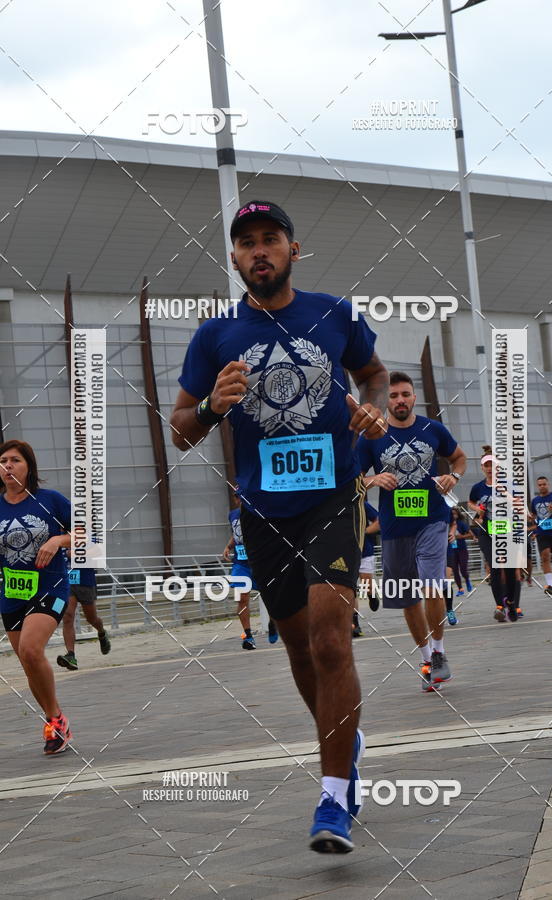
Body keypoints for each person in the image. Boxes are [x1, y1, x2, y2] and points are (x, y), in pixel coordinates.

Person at [170, 200, 388, 854]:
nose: (259, 251)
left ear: (294, 249)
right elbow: (181, 430)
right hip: (263, 511)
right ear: (235, 259)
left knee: (329, 641)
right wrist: (212, 404)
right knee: (297, 648)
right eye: (247, 243)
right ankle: (343, 744)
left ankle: (333, 795)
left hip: (333, 495)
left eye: (271, 239)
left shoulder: (334, 313)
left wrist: (374, 412)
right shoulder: (215, 336)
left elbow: (373, 375)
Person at [358, 372, 467, 692]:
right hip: (394, 528)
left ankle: (440, 654)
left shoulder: (433, 429)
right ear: (385, 401)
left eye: (405, 394)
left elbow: (458, 458)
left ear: (414, 397)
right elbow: (353, 479)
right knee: (405, 597)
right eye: (393, 396)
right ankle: (426, 656)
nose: (400, 400)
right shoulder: (371, 437)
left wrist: (455, 478)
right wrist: (373, 480)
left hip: (432, 519)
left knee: (432, 584)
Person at [0, 439, 72, 754]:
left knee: (31, 648)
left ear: (28, 466)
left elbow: (90, 532)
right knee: (28, 661)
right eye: (3, 461)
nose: (7, 466)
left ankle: (55, 722)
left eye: (14, 460)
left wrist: (58, 539)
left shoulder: (49, 500)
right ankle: (55, 719)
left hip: (51, 586)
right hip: (13, 592)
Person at [469, 447, 523, 622]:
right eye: (487, 465)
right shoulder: (477, 487)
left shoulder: (508, 484)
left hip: (506, 529)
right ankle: (499, 606)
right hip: (486, 530)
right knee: (493, 566)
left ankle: (512, 603)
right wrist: (477, 509)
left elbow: (518, 503)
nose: (490, 468)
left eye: (493, 465)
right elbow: (470, 502)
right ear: (482, 468)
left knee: (508, 569)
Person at [222, 493, 278, 648]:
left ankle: (274, 622)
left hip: (260, 562)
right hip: (241, 563)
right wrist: (228, 546)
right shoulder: (233, 514)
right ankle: (247, 636)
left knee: (269, 596)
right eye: (238, 497)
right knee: (242, 598)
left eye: (244, 497)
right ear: (235, 499)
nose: (241, 500)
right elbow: (237, 533)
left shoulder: (259, 512)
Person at [56, 563, 111, 670]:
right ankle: (71, 655)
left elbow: (99, 556)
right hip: (67, 580)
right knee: (67, 617)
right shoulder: (57, 545)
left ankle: (102, 632)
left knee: (91, 619)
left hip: (85, 580)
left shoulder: (90, 544)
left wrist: (77, 553)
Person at [354, 500, 379, 633]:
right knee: (350, 589)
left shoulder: (362, 504)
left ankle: (371, 595)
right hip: (344, 552)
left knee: (366, 584)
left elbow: (379, 521)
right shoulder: (333, 503)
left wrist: (364, 532)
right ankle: (355, 624)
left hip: (365, 551)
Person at [448, 506, 473, 597]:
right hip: (451, 551)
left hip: (462, 549)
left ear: (458, 514)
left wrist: (460, 537)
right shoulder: (447, 524)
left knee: (463, 568)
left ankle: (467, 580)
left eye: (455, 513)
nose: (454, 515)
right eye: (452, 514)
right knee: (455, 570)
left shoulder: (461, 523)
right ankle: (460, 589)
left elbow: (471, 534)